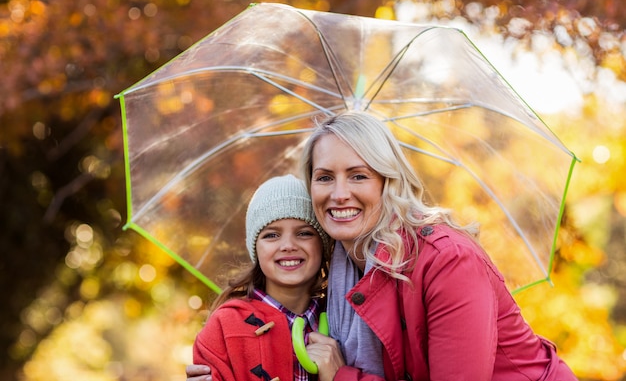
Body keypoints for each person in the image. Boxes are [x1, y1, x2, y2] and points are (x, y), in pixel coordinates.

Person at [188, 111, 578, 381]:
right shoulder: (341, 271)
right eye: (325, 177)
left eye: (358, 175)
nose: (339, 194)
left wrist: (342, 375)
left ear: (386, 182)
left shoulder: (447, 260)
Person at [192, 174, 331, 381]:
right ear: (255, 248)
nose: (288, 245)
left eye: (304, 233)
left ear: (323, 244)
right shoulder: (224, 326)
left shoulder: (342, 319)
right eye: (271, 235)